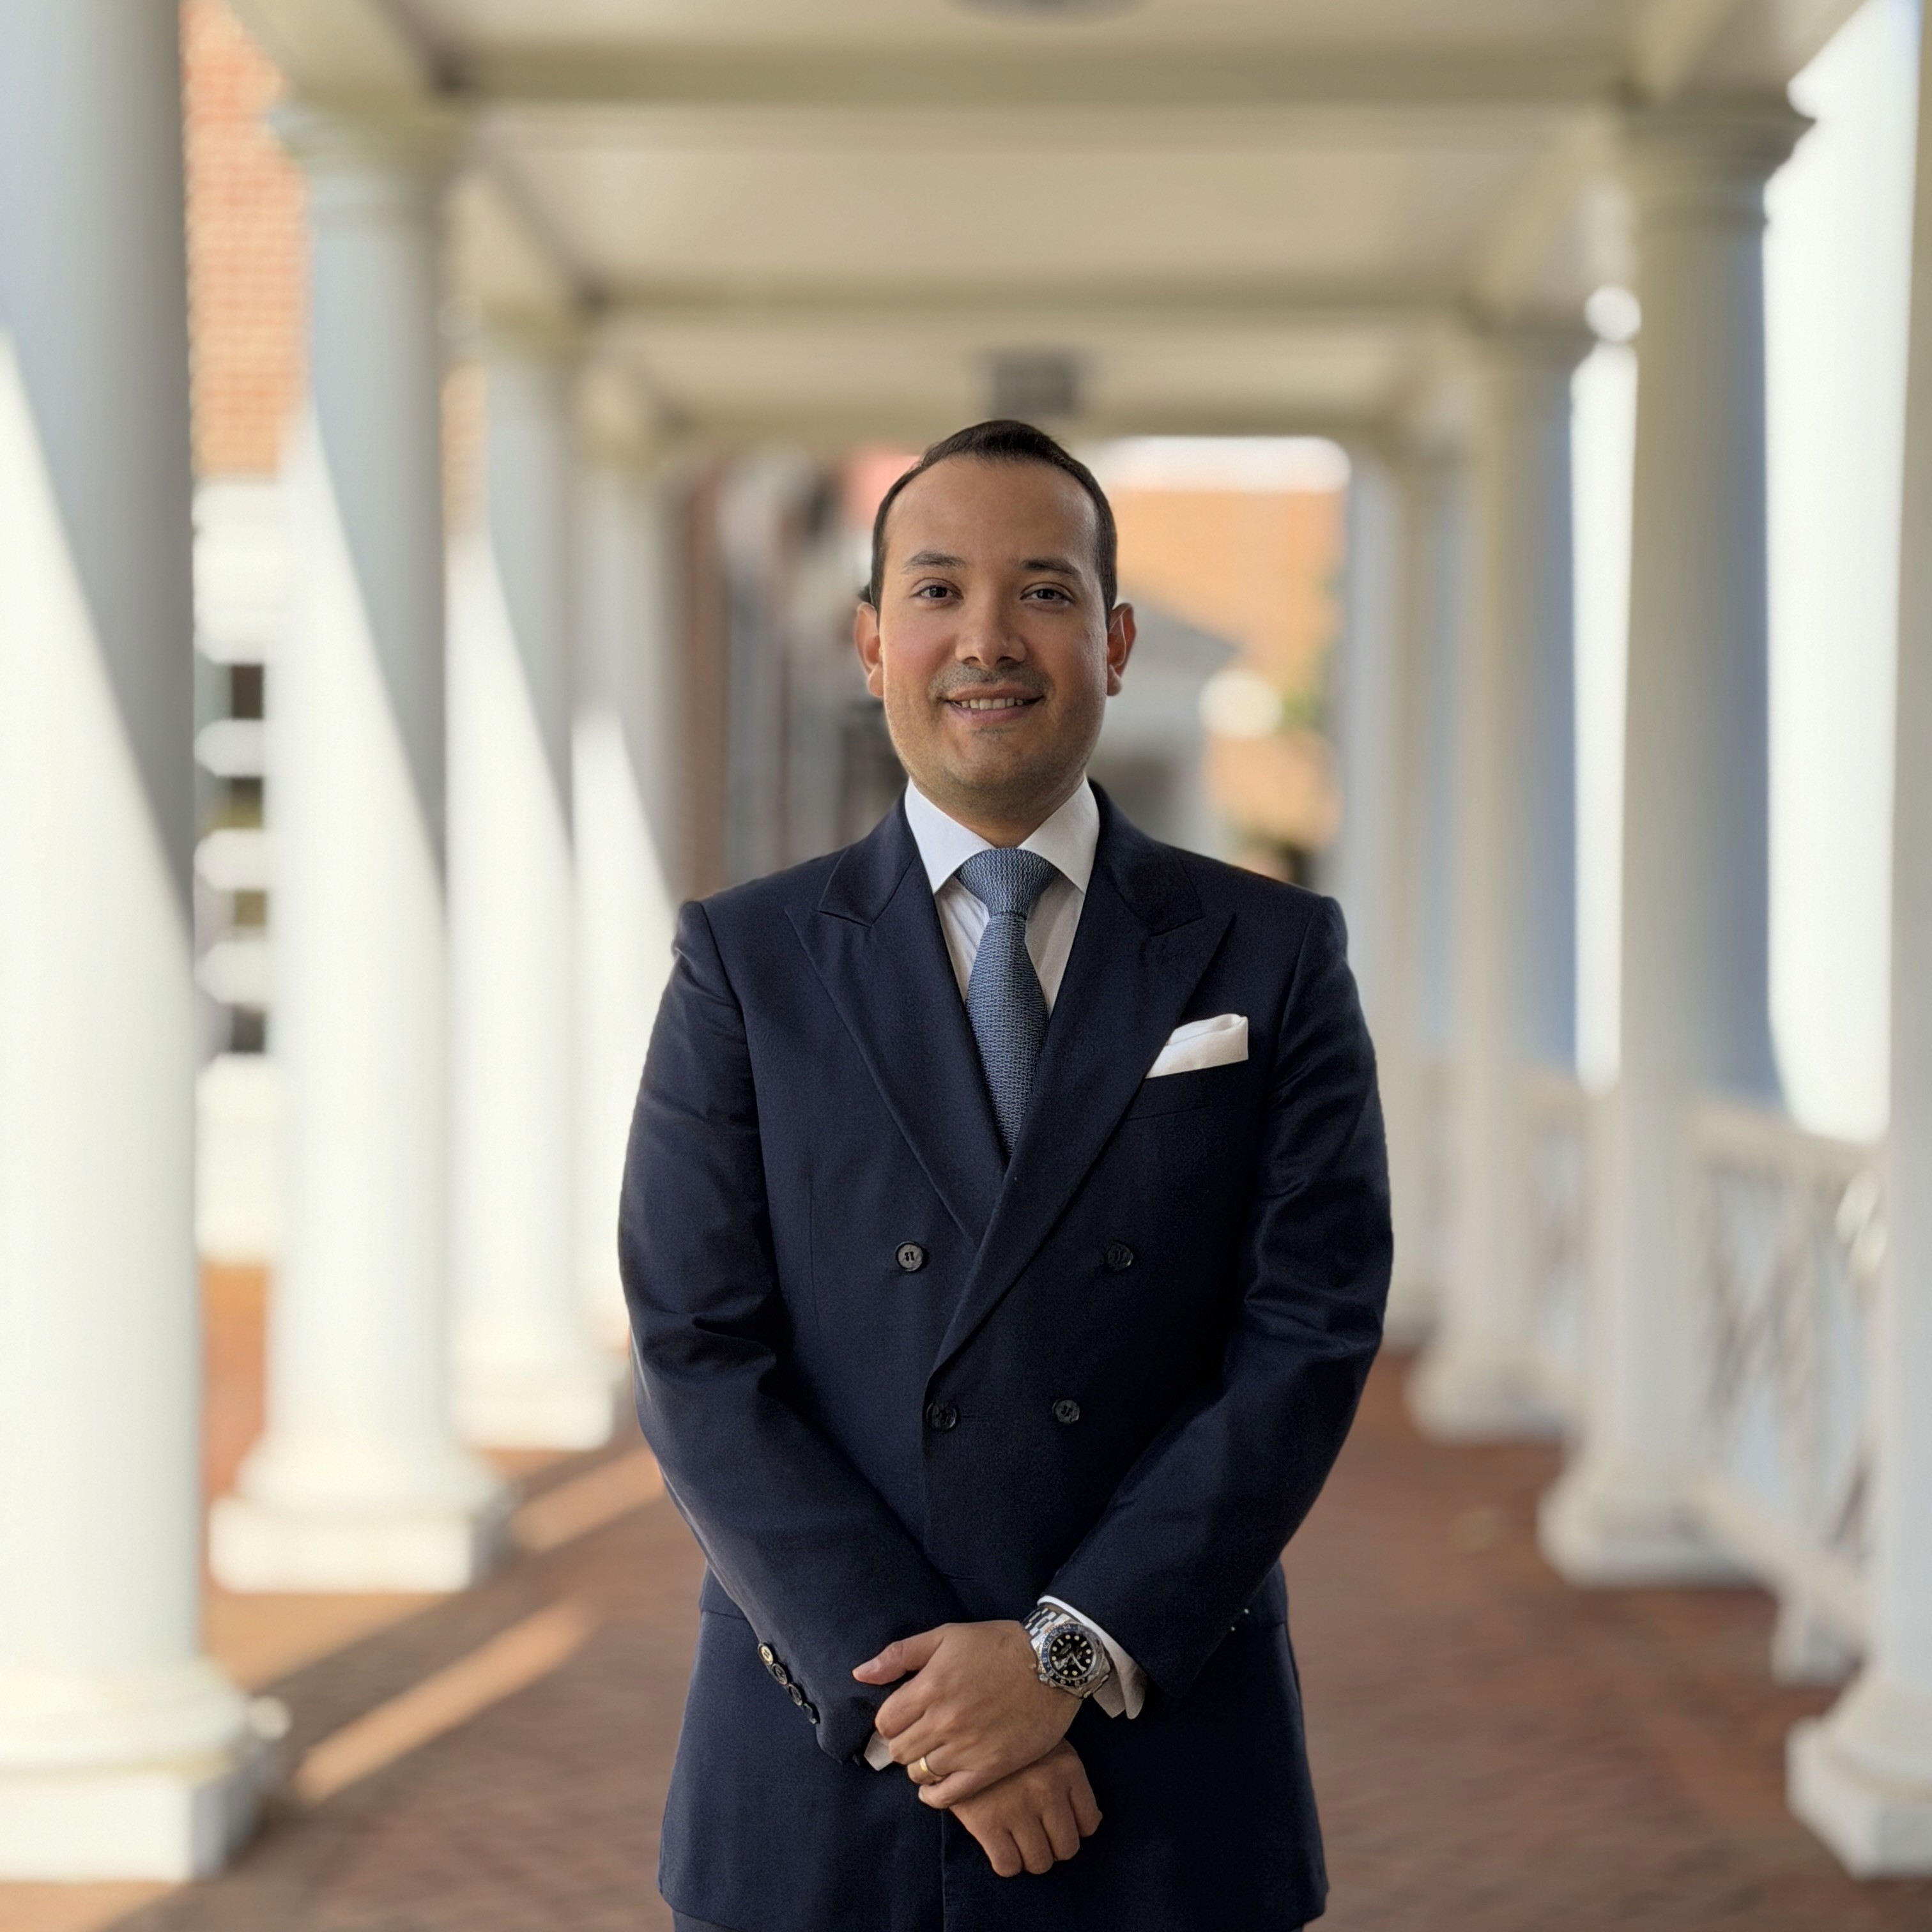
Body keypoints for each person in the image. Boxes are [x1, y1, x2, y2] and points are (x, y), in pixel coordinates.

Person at [621, 418, 1391, 1932]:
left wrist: (1056, 1661)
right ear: (870, 642)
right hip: (827, 1760)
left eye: (1042, 592)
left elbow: (1305, 1339)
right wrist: (944, 1711)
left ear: (1112, 641)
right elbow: (696, 1354)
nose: (987, 638)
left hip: (1159, 1754)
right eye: (936, 591)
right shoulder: (747, 961)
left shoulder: (1273, 955)